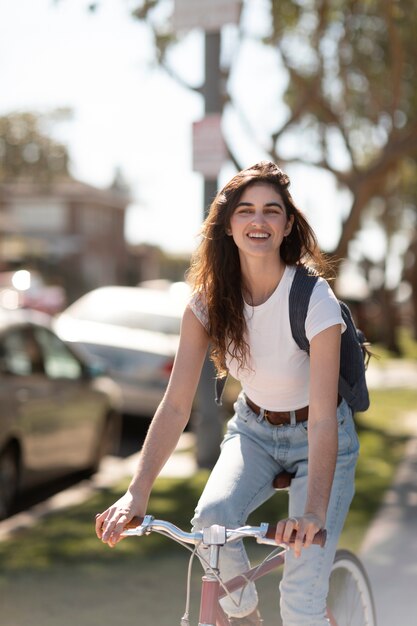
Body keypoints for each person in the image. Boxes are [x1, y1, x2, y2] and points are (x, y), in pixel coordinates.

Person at [95, 161, 359, 626]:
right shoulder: (206, 305)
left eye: (271, 211)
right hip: (254, 432)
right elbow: (176, 405)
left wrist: (312, 514)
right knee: (210, 525)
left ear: (287, 224)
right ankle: (245, 618)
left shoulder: (313, 299)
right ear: (228, 225)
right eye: (246, 211)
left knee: (300, 604)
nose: (258, 221)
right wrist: (137, 493)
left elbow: (321, 420)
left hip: (321, 437)